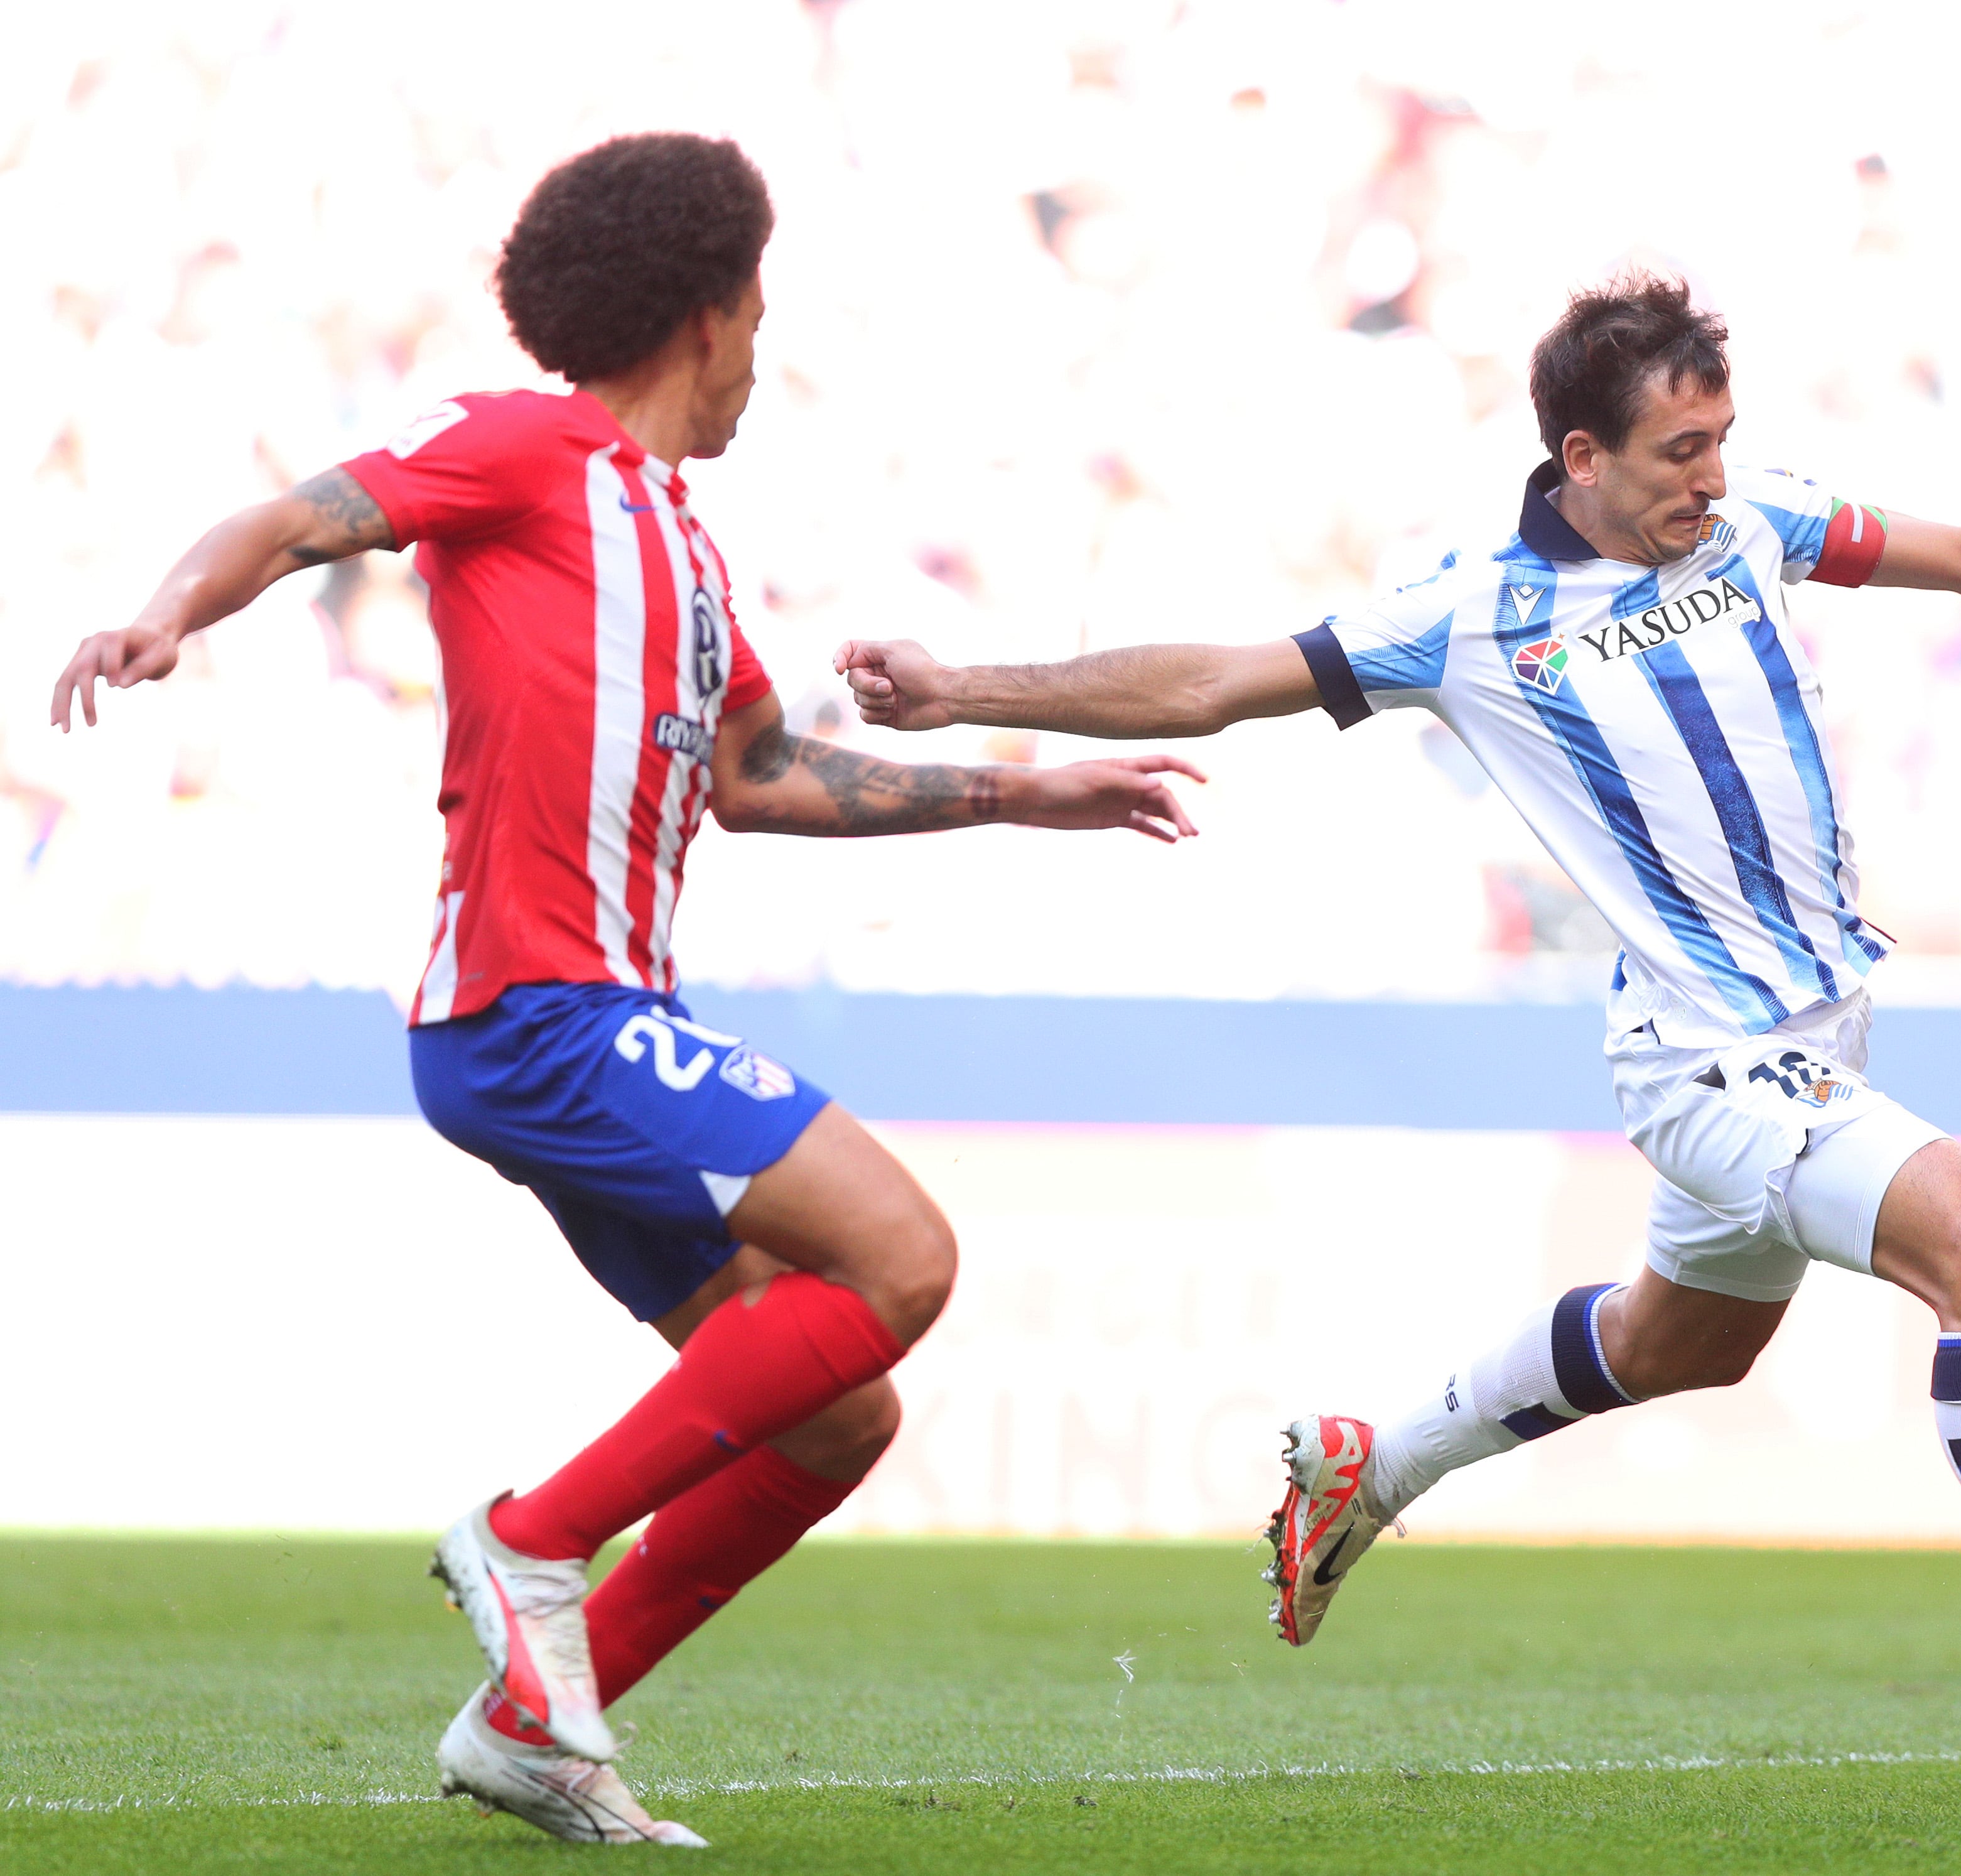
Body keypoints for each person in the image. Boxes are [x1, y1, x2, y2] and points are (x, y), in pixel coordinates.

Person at [835, 274, 1961, 1779]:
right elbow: (1216, 678)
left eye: (1720, 441)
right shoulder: (1469, 617)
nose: (1712, 480)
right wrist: (964, 683)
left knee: (1677, 1343)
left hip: (1816, 1033)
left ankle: (1374, 1461)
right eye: (1678, 454)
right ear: (1580, 458)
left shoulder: (1757, 519)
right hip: (1703, 1059)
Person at [50, 134, 1202, 1845]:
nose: (762, 347)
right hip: (534, 1013)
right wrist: (166, 616)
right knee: (903, 1258)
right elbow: (298, 517)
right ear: (713, 313)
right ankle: (528, 1537)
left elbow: (758, 773)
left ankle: (532, 1726)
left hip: (580, 1025)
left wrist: (1028, 788)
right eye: (758, 309)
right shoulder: (529, 447)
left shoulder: (680, 547)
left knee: (830, 1417)